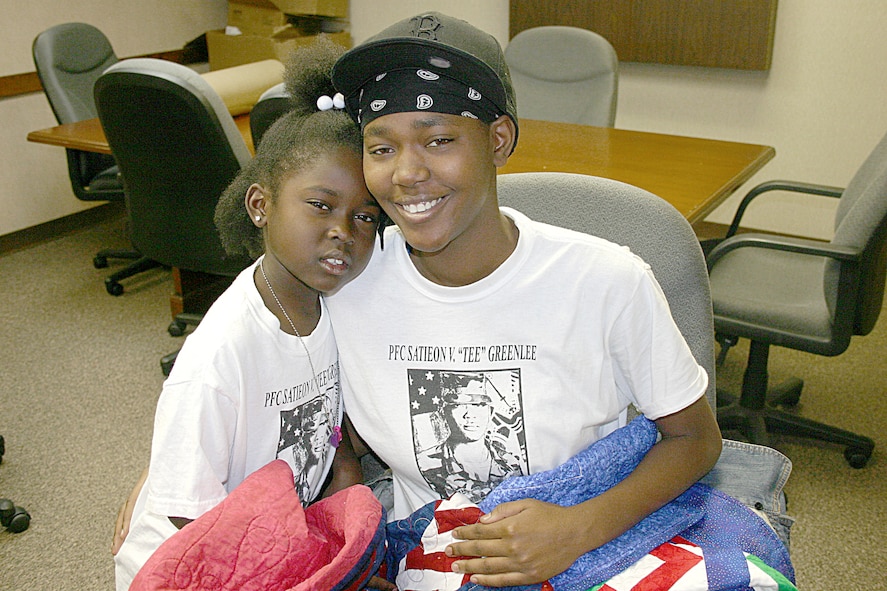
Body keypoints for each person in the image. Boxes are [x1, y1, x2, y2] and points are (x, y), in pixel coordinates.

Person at [324, 11, 724, 588]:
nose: (407, 173)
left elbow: (695, 439)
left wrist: (575, 530)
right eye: (381, 149)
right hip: (433, 554)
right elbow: (319, 422)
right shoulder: (348, 283)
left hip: (587, 536)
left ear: (498, 140)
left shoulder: (604, 279)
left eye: (438, 140)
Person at [111, 37, 384, 590]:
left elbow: (334, 434)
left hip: (280, 535)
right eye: (321, 205)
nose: (343, 231)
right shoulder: (220, 357)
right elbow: (198, 526)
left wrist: (345, 506)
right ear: (260, 205)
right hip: (198, 561)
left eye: (365, 217)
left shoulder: (335, 301)